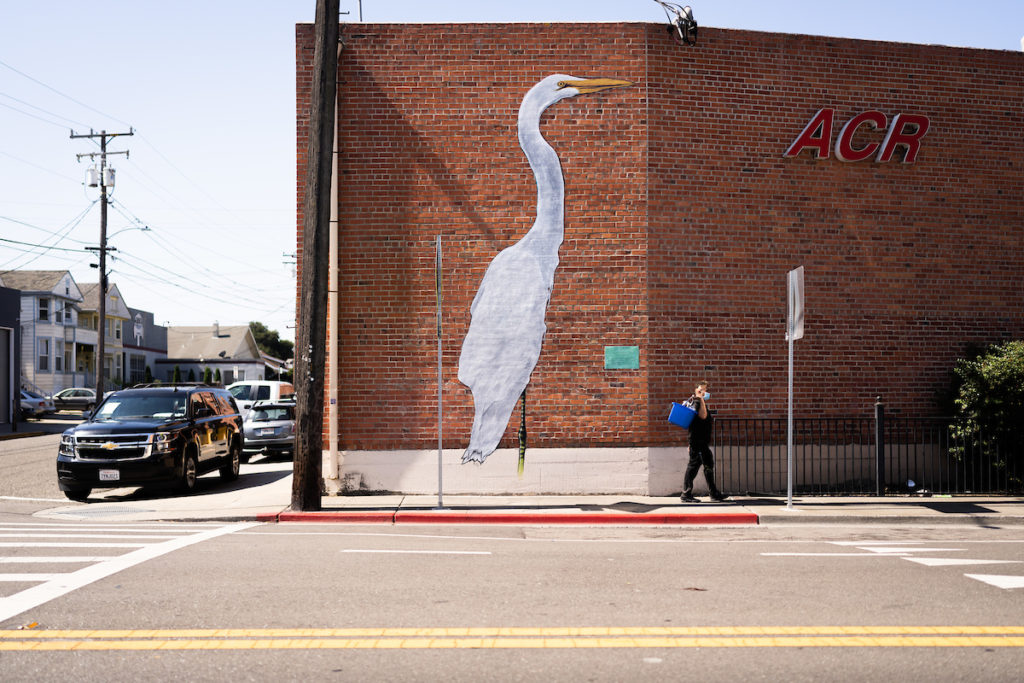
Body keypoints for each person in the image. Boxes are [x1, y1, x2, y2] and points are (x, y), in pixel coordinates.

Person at [681, 381, 728, 503]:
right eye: (701, 389)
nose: (704, 392)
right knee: (693, 467)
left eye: (705, 390)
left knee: (708, 464)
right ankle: (685, 494)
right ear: (696, 390)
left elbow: (694, 424)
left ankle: (714, 493)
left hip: (701, 443)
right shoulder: (697, 402)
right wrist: (700, 398)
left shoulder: (698, 402)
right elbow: (702, 416)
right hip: (698, 443)